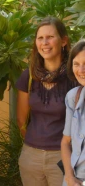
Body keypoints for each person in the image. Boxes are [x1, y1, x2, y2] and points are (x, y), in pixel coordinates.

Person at [16, 17, 77, 186]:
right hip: (31, 156)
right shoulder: (28, 76)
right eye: (40, 38)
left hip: (64, 157)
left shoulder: (75, 77)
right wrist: (35, 145)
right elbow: (21, 120)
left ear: (63, 41)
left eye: (50, 37)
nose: (45, 43)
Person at [61, 39, 85, 186]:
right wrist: (69, 177)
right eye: (76, 64)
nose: (81, 70)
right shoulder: (73, 96)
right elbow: (65, 142)